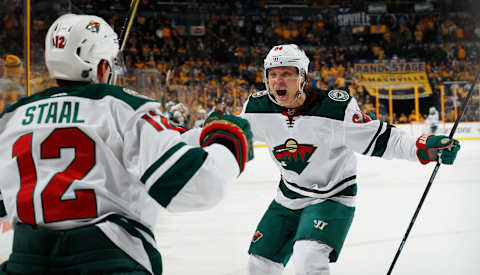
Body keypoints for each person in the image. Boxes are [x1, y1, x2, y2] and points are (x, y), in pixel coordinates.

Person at [0, 14, 253, 275]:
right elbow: (196, 184)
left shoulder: (10, 118)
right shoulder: (122, 107)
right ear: (101, 67)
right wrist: (227, 142)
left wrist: (196, 135)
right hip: (108, 259)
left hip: (26, 261)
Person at [240, 44, 460, 275]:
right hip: (288, 197)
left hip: (332, 196)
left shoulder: (334, 109)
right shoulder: (256, 108)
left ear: (302, 76)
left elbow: (386, 139)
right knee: (259, 264)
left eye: (286, 73)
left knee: (308, 257)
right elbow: (230, 135)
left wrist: (424, 147)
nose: (278, 81)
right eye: (273, 74)